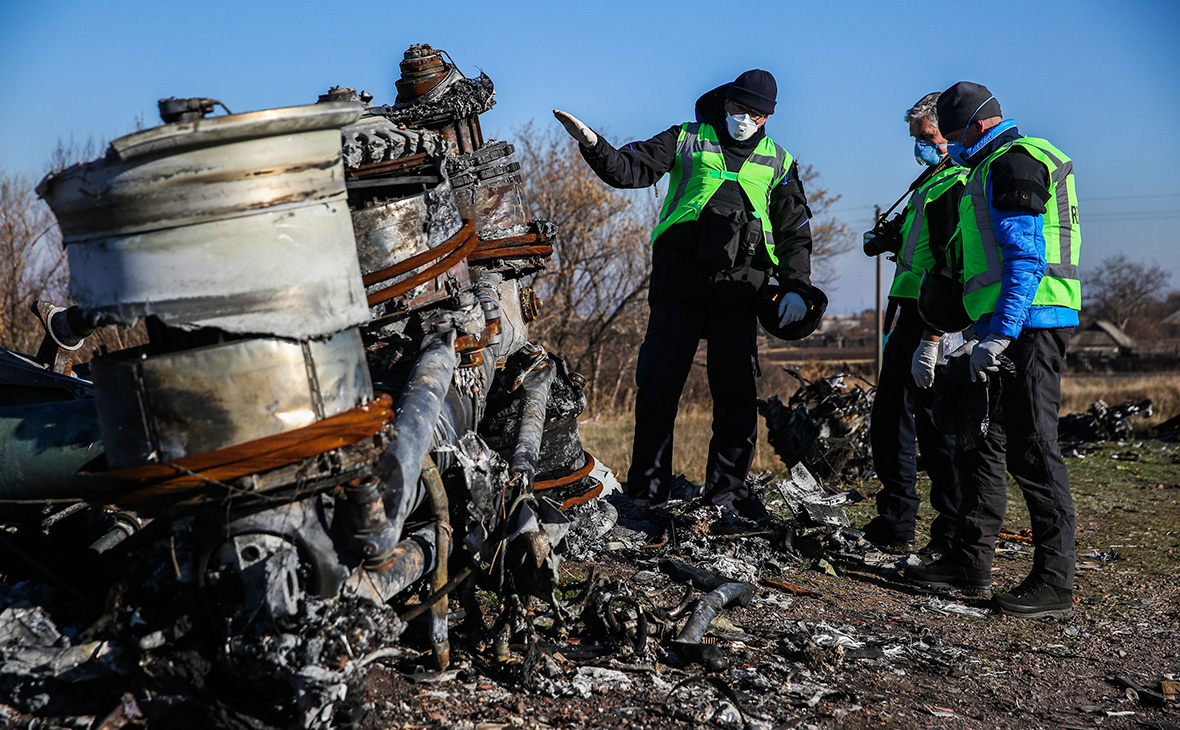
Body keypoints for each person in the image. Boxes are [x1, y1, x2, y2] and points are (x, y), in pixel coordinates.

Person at [553, 69, 815, 516]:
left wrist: (797, 287)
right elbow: (630, 169)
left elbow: (794, 232)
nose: (743, 118)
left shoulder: (780, 161)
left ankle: (726, 497)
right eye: (737, 108)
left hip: (740, 290)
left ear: (767, 118)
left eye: (754, 113)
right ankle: (646, 495)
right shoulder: (686, 138)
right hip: (680, 284)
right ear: (725, 103)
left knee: (735, 399)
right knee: (658, 391)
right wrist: (594, 145)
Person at [905, 82, 1081, 618]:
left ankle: (1054, 582)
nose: (948, 147)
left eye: (953, 136)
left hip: (1030, 325)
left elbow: (1025, 259)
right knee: (982, 440)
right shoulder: (989, 166)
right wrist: (940, 335)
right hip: (999, 323)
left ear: (978, 127)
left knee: (1033, 448)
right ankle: (969, 560)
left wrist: (1002, 333)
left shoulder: (1013, 163)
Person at [860, 92, 967, 558]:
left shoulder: (958, 180)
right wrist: (889, 236)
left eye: (925, 137)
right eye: (916, 139)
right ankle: (897, 518)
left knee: (935, 426)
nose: (919, 146)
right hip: (907, 308)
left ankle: (950, 531)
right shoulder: (929, 181)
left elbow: (952, 263)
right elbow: (918, 243)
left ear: (951, 130)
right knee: (891, 420)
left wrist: (934, 335)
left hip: (935, 320)